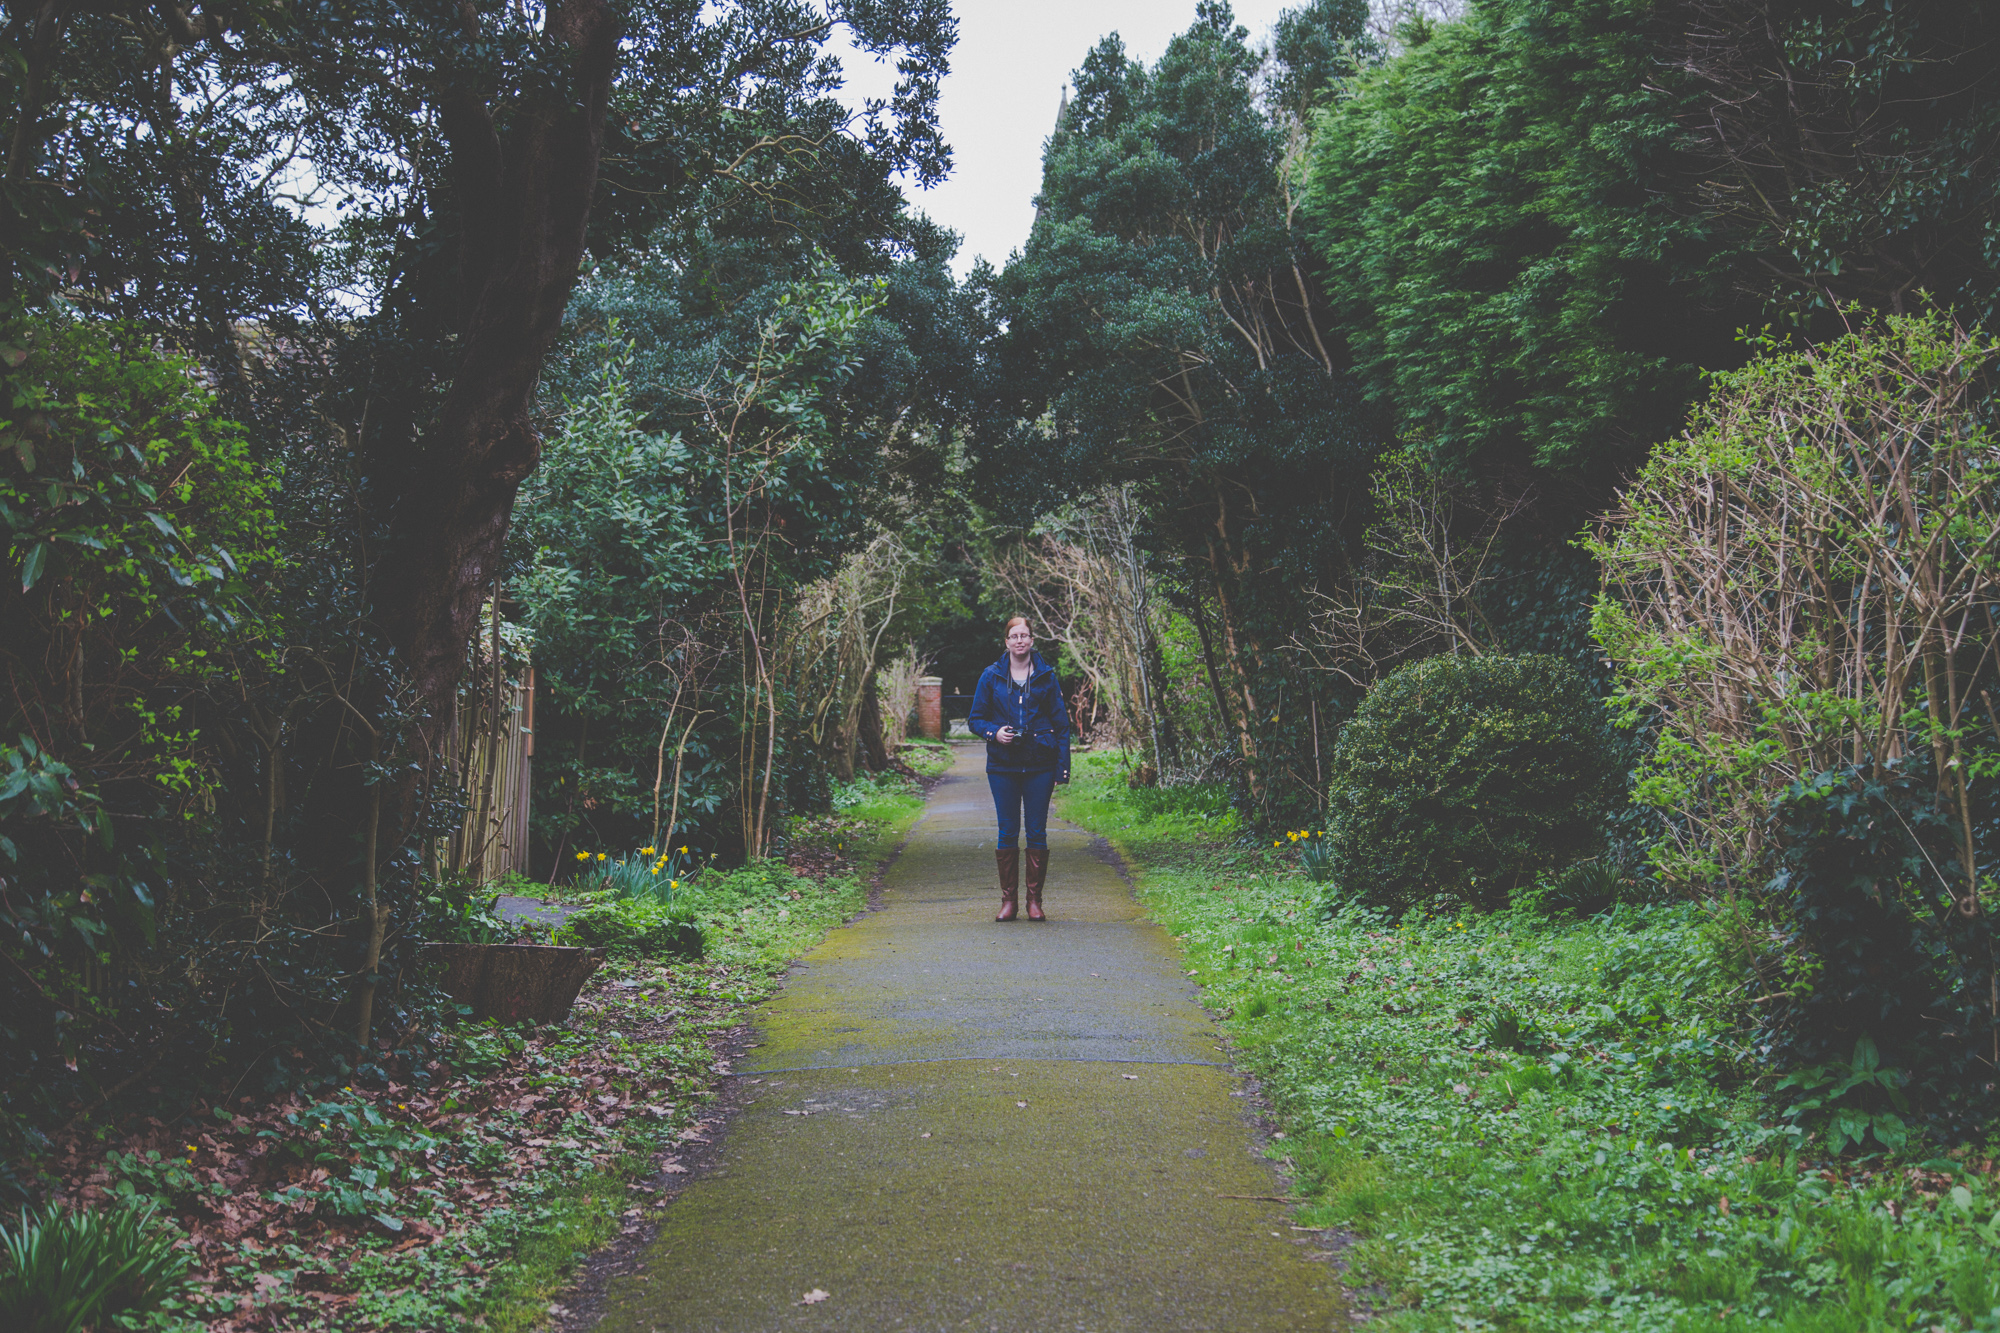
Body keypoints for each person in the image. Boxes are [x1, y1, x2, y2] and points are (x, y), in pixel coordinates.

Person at [967, 615, 1072, 921]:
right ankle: (1008, 901)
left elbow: (1061, 725)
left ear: (1032, 640)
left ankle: (1034, 902)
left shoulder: (1046, 676)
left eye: (1025, 635)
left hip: (1040, 764)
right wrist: (994, 733)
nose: (1020, 640)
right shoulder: (991, 676)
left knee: (1037, 832)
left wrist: (1061, 770)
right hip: (1003, 766)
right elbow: (976, 719)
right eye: (1014, 636)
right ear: (1007, 642)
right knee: (1007, 832)